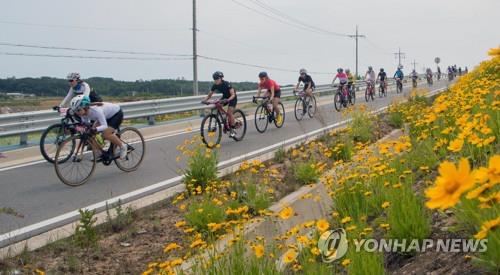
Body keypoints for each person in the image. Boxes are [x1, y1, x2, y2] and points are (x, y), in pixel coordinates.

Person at [70, 95, 128, 159]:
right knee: (91, 134)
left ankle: (123, 146)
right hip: (105, 116)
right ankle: (99, 152)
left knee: (106, 134)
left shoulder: (96, 111)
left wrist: (95, 129)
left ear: (85, 107)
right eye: (75, 111)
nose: (77, 113)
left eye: (78, 110)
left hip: (116, 114)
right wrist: (76, 128)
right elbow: (85, 125)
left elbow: (104, 126)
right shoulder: (82, 113)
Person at [202, 71, 238, 137]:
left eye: (217, 79)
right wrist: (204, 100)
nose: (216, 81)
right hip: (225, 97)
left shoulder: (227, 84)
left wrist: (228, 100)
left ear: (221, 78)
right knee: (217, 105)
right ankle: (222, 119)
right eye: (215, 79)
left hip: (232, 98)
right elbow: (209, 95)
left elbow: (233, 94)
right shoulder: (215, 85)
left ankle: (233, 129)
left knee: (229, 113)